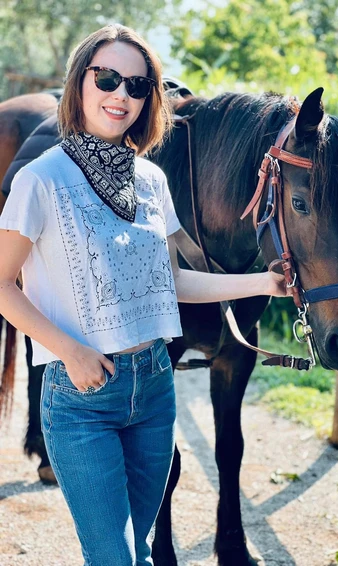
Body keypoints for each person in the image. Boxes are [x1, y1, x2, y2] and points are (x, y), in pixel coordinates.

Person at [0, 24, 289, 566]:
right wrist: (70, 351)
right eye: (107, 78)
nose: (121, 96)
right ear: (78, 82)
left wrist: (262, 283)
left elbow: (169, 281)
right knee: (113, 556)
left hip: (154, 390)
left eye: (137, 86)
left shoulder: (152, 180)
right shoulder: (40, 179)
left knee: (139, 547)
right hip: (83, 395)